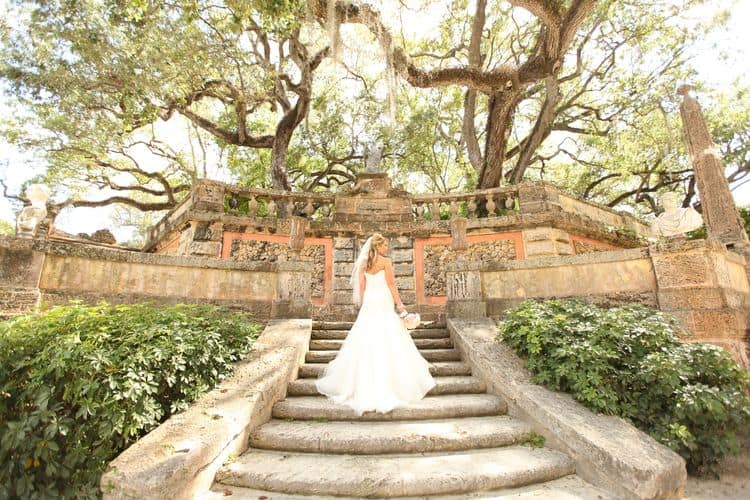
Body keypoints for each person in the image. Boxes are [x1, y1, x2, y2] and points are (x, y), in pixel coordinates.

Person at [315, 233, 436, 415]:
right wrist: (400, 304)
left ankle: (361, 383)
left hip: (370, 301)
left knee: (366, 336)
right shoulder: (385, 262)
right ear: (378, 246)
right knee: (388, 335)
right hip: (383, 300)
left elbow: (361, 287)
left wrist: (364, 303)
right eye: (384, 245)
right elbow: (392, 284)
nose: (386, 248)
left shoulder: (364, 262)